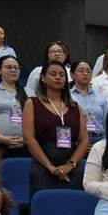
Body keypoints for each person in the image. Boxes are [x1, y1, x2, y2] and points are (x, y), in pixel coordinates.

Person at [22, 61, 87, 194]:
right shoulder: (32, 103)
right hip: (43, 167)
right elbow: (29, 138)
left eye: (62, 75)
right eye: (53, 74)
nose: (58, 77)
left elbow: (84, 140)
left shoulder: (75, 106)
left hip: (72, 168)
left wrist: (70, 165)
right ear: (43, 78)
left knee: (72, 204)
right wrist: (50, 166)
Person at [70, 61, 107, 148]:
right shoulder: (67, 97)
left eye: (88, 71)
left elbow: (107, 123)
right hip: (75, 139)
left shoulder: (101, 98)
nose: (85, 73)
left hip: (98, 140)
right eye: (81, 70)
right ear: (72, 75)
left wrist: (103, 143)